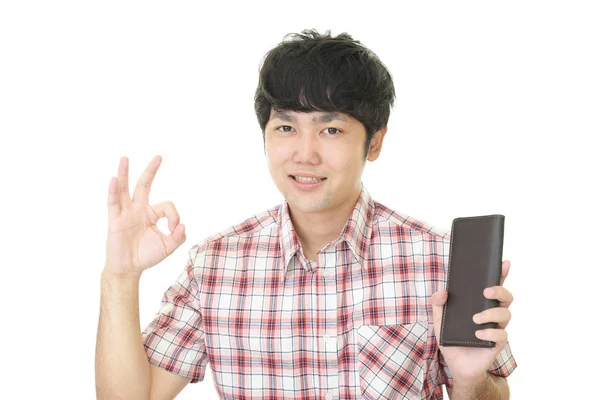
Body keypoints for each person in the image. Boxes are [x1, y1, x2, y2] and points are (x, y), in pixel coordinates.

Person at [95, 29, 516, 399]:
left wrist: (467, 381)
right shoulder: (214, 264)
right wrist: (120, 277)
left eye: (330, 129)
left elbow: (490, 395)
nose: (305, 153)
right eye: (286, 127)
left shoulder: (439, 258)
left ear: (374, 143)